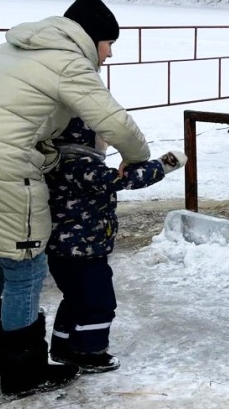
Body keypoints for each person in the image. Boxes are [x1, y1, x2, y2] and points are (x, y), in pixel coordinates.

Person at [0, 0, 150, 397]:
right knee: (24, 270)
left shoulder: (9, 48)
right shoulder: (69, 62)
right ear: (92, 37)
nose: (108, 54)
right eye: (109, 43)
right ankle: (22, 372)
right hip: (6, 170)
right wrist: (138, 158)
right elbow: (113, 121)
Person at [45, 117, 187, 373]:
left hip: (63, 251)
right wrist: (163, 165)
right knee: (99, 302)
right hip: (83, 252)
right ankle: (89, 352)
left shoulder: (57, 163)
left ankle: (63, 346)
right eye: (101, 137)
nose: (106, 143)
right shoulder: (81, 166)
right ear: (84, 139)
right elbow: (121, 180)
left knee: (75, 298)